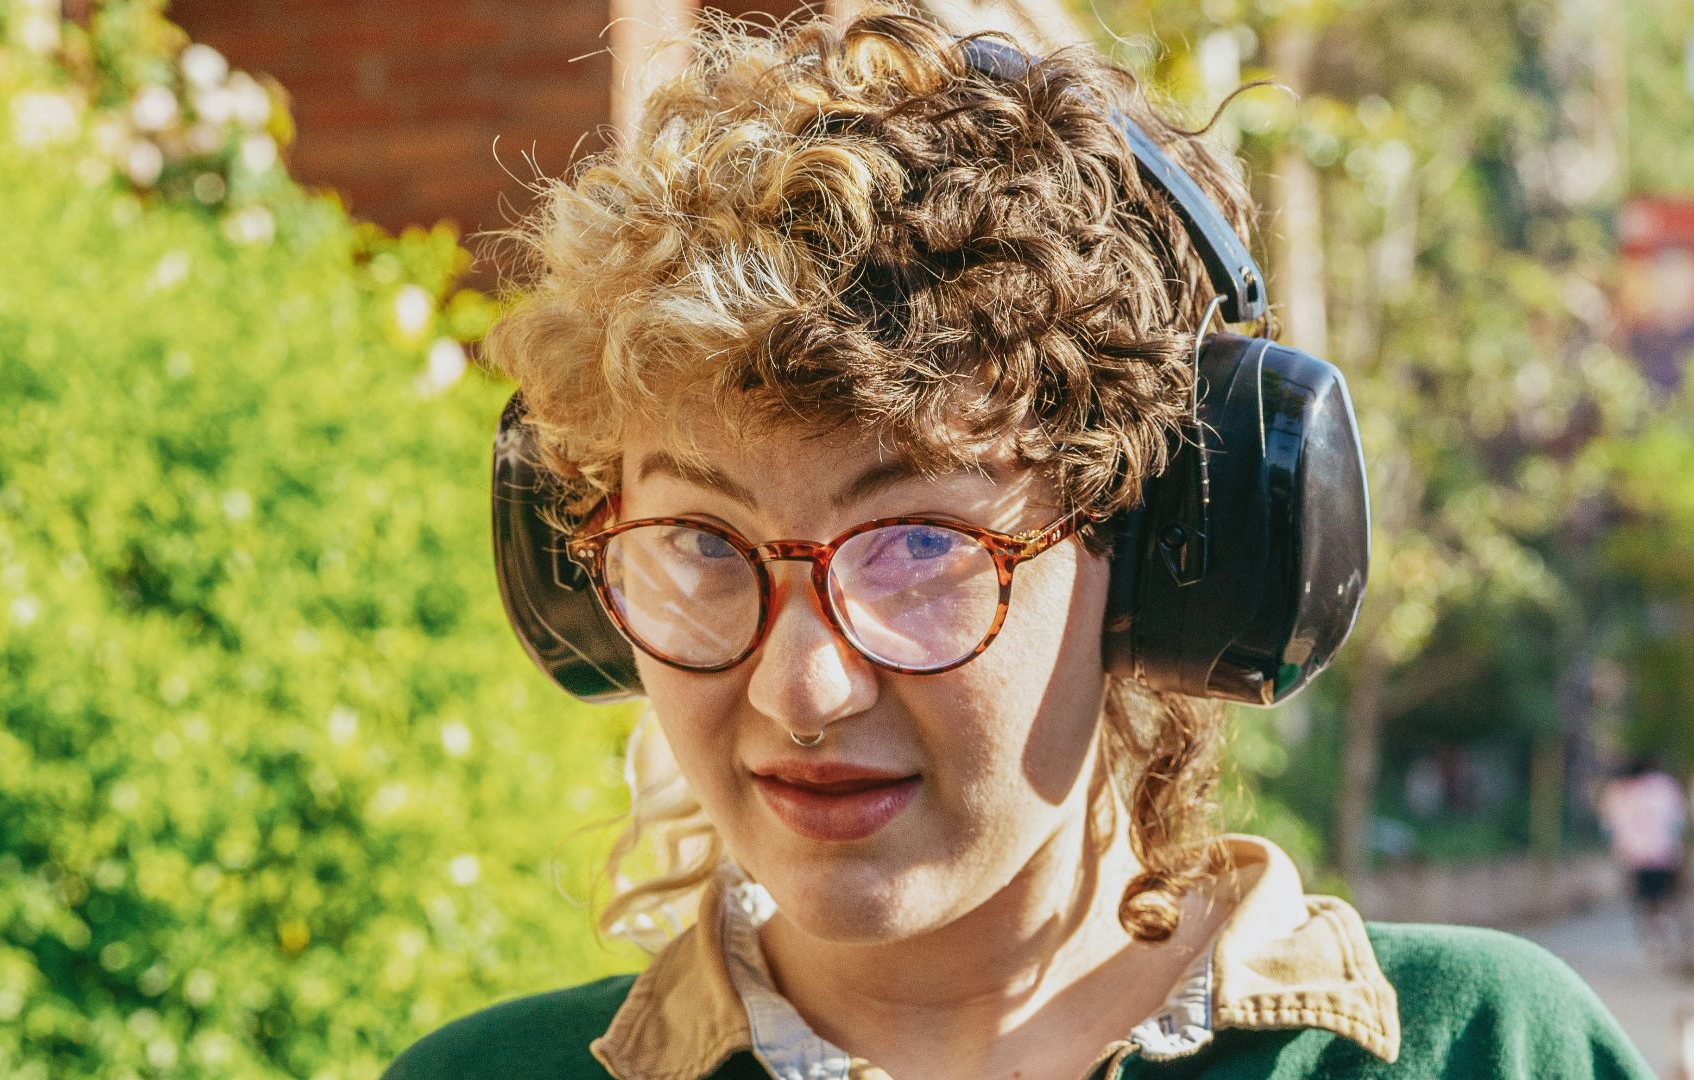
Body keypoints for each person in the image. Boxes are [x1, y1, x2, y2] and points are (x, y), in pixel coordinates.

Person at [390, 9, 1649, 1078]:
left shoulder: (1487, 1048)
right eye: (705, 548)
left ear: (1166, 559)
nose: (802, 689)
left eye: (921, 547)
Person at [1598, 755, 1688, 959]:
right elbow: (1678, 821)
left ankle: (1655, 936)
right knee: (1663, 896)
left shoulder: (1617, 792)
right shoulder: (1665, 786)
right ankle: (1663, 934)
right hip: (1664, 853)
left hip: (1635, 856)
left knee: (1646, 898)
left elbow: (1608, 827)